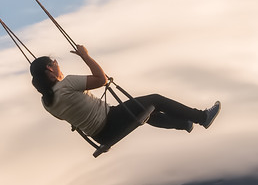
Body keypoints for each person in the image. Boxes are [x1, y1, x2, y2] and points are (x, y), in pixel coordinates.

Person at [29, 45, 219, 143]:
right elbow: (101, 79)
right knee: (155, 100)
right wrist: (85, 56)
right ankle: (201, 117)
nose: (58, 65)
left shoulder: (47, 103)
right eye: (55, 63)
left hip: (102, 137)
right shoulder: (67, 84)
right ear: (50, 69)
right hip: (110, 120)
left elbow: (66, 117)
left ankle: (182, 122)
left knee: (144, 112)